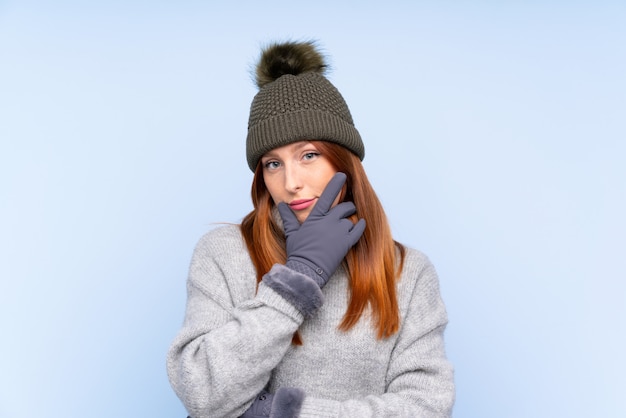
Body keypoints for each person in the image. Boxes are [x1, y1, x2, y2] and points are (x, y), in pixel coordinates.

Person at [167, 40, 455, 418]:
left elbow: (427, 407)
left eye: (309, 155)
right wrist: (296, 280)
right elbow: (202, 392)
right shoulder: (223, 253)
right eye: (273, 163)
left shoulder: (408, 271)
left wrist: (286, 414)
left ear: (344, 161)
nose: (291, 182)